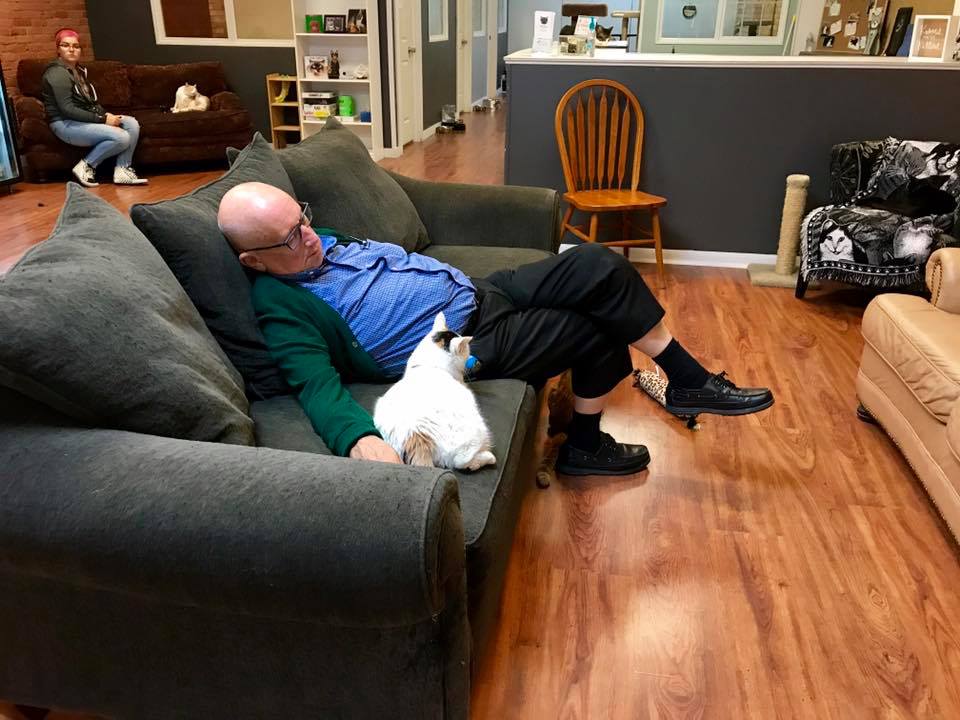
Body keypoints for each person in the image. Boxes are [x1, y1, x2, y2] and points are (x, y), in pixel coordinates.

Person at [217, 182, 774, 474]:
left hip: (483, 290)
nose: (309, 237)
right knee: (592, 326)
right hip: (459, 347)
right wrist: (359, 440)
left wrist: (308, 235)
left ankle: (684, 379)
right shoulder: (282, 306)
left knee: (598, 263)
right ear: (255, 261)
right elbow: (315, 386)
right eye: (290, 238)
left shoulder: (319, 240)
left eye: (303, 219)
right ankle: (584, 446)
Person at [42, 28, 148, 187]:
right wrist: (103, 119)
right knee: (121, 137)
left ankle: (123, 169)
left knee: (131, 123)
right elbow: (67, 109)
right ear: (58, 49)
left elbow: (89, 103)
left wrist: (107, 114)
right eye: (65, 45)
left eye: (76, 46)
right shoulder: (57, 74)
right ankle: (86, 165)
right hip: (65, 123)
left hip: (81, 121)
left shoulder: (78, 71)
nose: (71, 49)